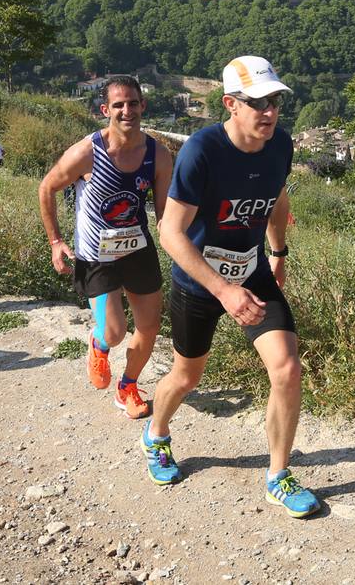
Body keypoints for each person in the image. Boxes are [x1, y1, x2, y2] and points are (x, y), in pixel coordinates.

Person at [141, 56, 319, 518]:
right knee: (187, 377)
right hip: (200, 282)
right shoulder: (201, 151)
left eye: (274, 101)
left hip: (252, 270)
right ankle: (156, 435)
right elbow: (170, 233)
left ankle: (278, 476)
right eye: (256, 102)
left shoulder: (280, 145)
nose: (269, 111)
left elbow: (278, 200)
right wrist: (223, 290)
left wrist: (278, 253)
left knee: (287, 369)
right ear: (230, 104)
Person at [39, 76, 173, 419]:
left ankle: (127, 386)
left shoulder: (157, 155)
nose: (126, 110)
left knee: (149, 326)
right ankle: (98, 344)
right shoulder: (88, 152)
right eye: (118, 105)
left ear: (143, 105)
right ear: (105, 110)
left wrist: (181, 245)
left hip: (137, 249)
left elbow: (164, 214)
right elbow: (47, 188)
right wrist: (56, 241)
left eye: (132, 103)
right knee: (114, 332)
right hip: (95, 255)